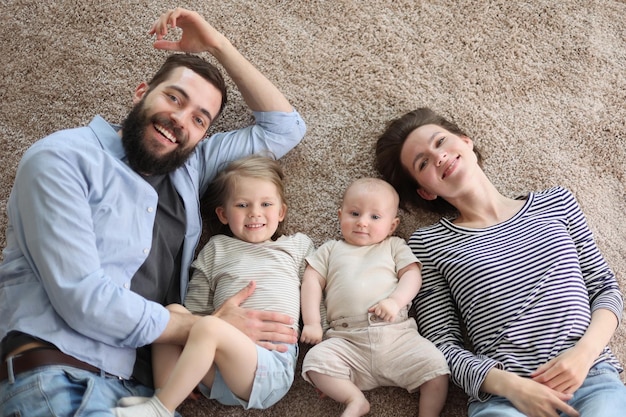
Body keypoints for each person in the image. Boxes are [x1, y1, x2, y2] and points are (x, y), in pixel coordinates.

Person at [0, 8, 306, 416]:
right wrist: (204, 326)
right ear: (141, 92)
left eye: (199, 119)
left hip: (140, 394)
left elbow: (284, 128)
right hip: (60, 379)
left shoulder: (190, 166)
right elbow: (84, 299)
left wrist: (219, 45)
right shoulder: (64, 158)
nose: (180, 120)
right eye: (173, 98)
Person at [375, 107, 626, 417]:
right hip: (505, 400)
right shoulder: (428, 245)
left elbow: (604, 288)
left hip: (591, 380)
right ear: (425, 191)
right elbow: (440, 345)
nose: (437, 157)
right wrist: (512, 387)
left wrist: (584, 354)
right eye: (423, 162)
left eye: (440, 142)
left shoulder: (557, 202)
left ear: (466, 143)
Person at [112, 154, 315, 416]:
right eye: (242, 205)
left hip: (269, 364)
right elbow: (196, 310)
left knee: (209, 327)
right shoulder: (216, 248)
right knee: (171, 313)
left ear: (281, 212)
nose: (255, 212)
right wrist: (193, 354)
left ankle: (160, 407)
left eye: (266, 204)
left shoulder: (296, 246)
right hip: (216, 363)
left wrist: (315, 324)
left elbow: (316, 286)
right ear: (223, 214)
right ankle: (168, 395)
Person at [300, 177, 450, 417]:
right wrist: (312, 323)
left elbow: (412, 275)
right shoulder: (330, 250)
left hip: (397, 337)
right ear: (340, 216)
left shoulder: (394, 246)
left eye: (375, 217)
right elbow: (311, 281)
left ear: (392, 225)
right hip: (347, 340)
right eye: (354, 213)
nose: (362, 223)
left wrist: (395, 301)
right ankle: (354, 399)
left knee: (437, 369)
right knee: (315, 362)